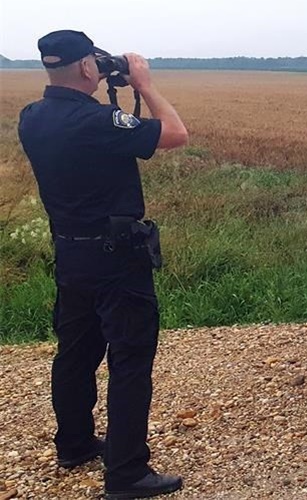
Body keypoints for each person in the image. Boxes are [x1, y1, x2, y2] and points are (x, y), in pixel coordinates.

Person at [17, 30, 189, 499]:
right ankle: (127, 473)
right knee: (130, 359)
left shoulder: (31, 118)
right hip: (117, 258)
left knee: (75, 353)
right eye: (96, 62)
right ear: (89, 68)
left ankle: (73, 443)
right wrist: (145, 85)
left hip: (70, 254)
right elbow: (175, 134)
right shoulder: (97, 121)